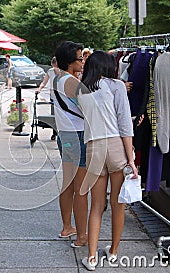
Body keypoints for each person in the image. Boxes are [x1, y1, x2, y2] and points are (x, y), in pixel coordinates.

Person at [76, 50, 138, 271]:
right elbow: (124, 124)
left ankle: (91, 258)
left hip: (93, 147)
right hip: (115, 147)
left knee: (97, 206)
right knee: (117, 204)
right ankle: (113, 252)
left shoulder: (81, 91)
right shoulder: (116, 86)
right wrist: (131, 159)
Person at [53, 41, 88, 248]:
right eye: (79, 58)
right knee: (81, 188)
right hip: (78, 136)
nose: (83, 61)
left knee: (68, 184)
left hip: (65, 135)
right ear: (69, 61)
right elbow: (91, 107)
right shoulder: (73, 83)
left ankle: (67, 227)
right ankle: (82, 236)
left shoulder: (58, 79)